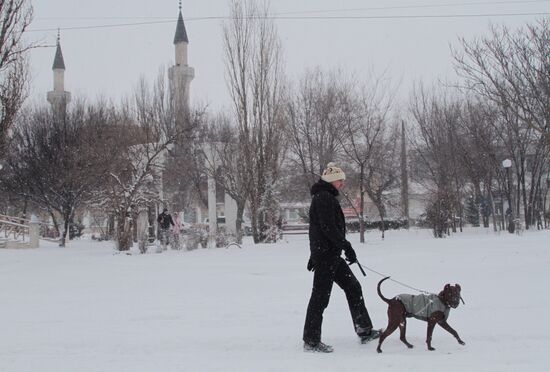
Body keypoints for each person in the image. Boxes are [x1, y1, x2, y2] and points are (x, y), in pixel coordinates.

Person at [303, 162, 379, 353]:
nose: (342, 184)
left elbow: (319, 229)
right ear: (331, 180)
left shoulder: (325, 197)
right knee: (320, 297)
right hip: (327, 256)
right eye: (340, 180)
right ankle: (311, 340)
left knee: (353, 287)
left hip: (330, 255)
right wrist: (346, 245)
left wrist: (319, 253)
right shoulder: (323, 198)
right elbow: (327, 228)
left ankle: (364, 329)